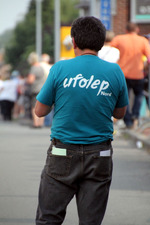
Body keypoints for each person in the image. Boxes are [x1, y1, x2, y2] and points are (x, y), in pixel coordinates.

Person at [35, 16, 128, 225]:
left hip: (62, 153)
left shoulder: (60, 69)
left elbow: (40, 111)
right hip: (100, 154)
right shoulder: (115, 71)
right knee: (91, 221)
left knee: (48, 218)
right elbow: (120, 113)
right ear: (102, 43)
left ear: (74, 42)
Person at [111, 22, 150, 129]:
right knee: (139, 94)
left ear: (126, 30)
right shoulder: (142, 41)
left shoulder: (119, 39)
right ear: (137, 30)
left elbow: (110, 49)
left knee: (125, 97)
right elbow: (148, 56)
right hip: (138, 73)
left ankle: (127, 120)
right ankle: (135, 115)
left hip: (123, 73)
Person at [26, 52, 45, 128]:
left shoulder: (34, 68)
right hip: (42, 89)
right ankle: (40, 123)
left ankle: (36, 123)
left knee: (34, 106)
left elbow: (31, 80)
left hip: (35, 89)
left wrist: (26, 80)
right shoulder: (41, 67)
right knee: (42, 106)